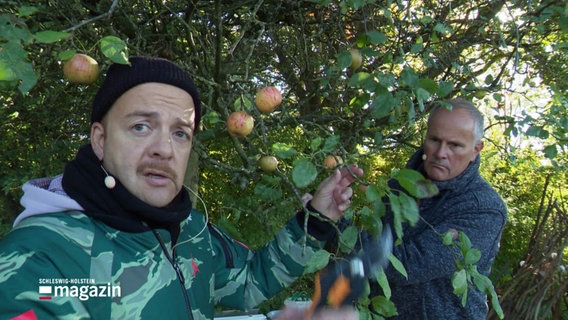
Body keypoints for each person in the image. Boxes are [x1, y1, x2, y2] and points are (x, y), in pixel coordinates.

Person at [0, 56, 364, 320]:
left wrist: (316, 220)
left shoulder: (188, 228)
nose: (164, 148)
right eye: (141, 126)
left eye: (180, 133)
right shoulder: (39, 259)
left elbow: (249, 280)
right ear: (100, 139)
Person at [369, 98, 507, 319]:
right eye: (434, 140)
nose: (441, 153)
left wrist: (336, 224)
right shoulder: (399, 186)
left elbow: (409, 265)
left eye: (455, 145)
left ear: (476, 149)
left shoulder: (484, 209)